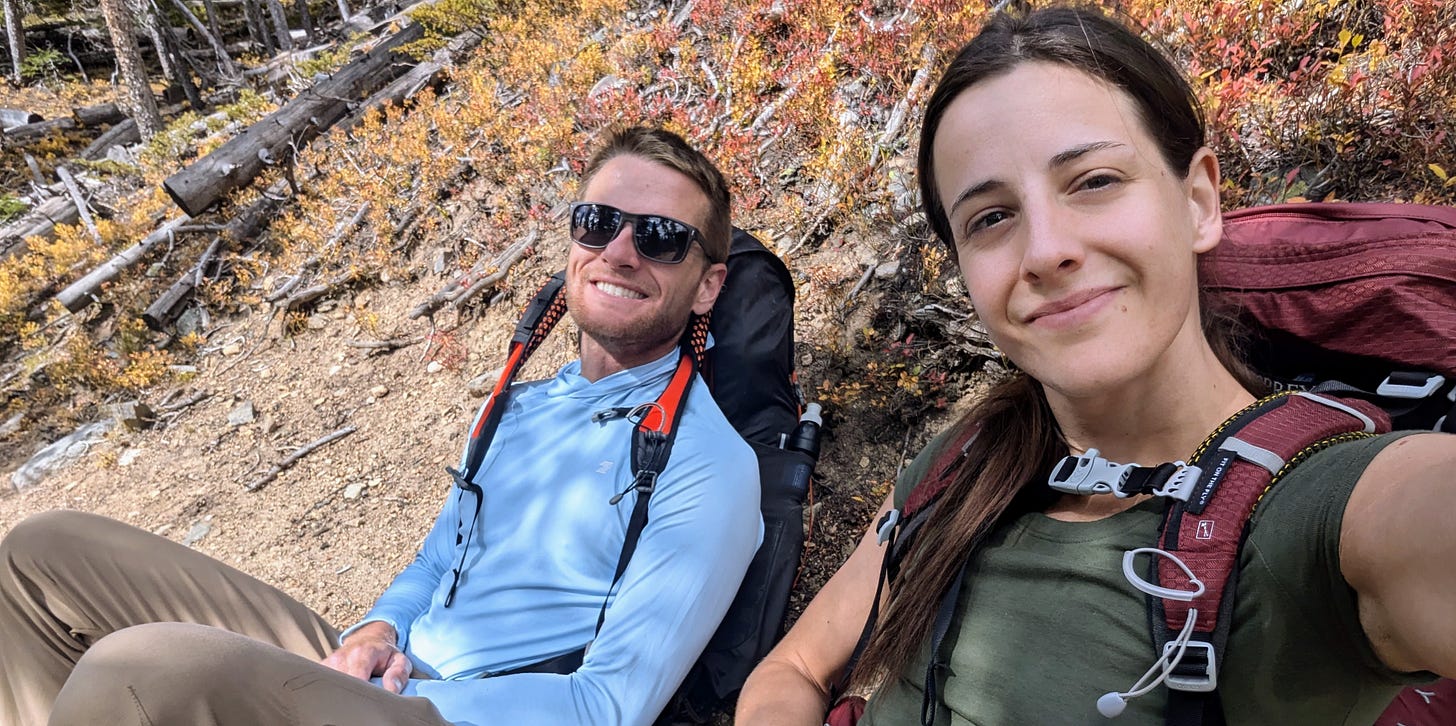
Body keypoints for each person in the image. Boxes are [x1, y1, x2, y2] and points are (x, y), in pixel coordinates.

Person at [736, 7, 1456, 725]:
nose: (1046, 250)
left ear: (1200, 200)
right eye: (990, 218)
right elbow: (794, 667)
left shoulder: (1324, 514)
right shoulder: (967, 461)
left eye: (1094, 180)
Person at [0, 126, 763, 726]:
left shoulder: (703, 464)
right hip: (390, 677)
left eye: (660, 237)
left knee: (139, 668)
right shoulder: (524, 402)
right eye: (598, 223)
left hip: (455, 713)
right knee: (44, 556)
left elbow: (606, 708)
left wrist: (398, 707)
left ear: (709, 287)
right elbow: (438, 566)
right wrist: (376, 630)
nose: (621, 252)